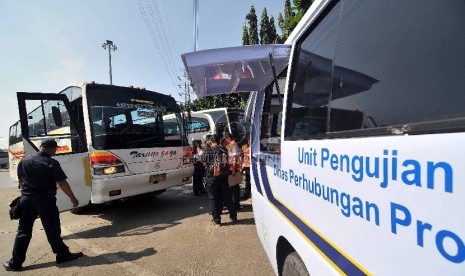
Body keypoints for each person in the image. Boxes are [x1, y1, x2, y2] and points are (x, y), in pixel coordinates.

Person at [3, 139, 83, 271]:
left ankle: (15, 264)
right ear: (52, 149)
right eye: (55, 150)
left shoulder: (24, 160)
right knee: (52, 229)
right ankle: (62, 254)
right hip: (45, 200)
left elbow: (21, 182)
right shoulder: (51, 162)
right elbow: (62, 183)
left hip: (26, 200)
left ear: (41, 147)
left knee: (23, 232)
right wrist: (73, 199)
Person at [201, 134, 237, 226]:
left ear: (210, 141)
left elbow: (203, 162)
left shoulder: (207, 151)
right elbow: (229, 162)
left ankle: (217, 220)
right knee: (227, 197)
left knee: (213, 199)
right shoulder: (224, 149)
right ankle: (233, 217)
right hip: (224, 177)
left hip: (212, 178)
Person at [222, 133, 242, 210]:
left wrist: (233, 169)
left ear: (228, 138)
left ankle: (236, 204)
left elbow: (234, 157)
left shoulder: (233, 145)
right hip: (233, 168)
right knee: (234, 187)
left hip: (234, 168)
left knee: (234, 187)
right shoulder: (232, 145)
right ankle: (235, 204)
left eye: (226, 138)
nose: (225, 140)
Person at [240, 136, 251, 200]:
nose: (249, 141)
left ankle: (247, 194)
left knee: (249, 181)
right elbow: (242, 156)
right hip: (246, 166)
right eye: (248, 140)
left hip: (251, 166)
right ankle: (247, 194)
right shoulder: (244, 147)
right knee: (247, 181)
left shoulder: (253, 147)